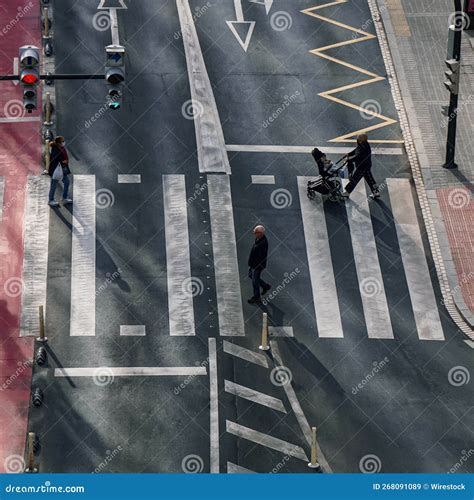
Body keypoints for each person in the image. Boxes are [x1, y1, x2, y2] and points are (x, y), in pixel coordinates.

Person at [341, 134, 380, 199]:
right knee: (370, 179)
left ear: (361, 140)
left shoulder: (364, 148)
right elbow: (356, 150)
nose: (357, 139)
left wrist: (349, 160)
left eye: (358, 138)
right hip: (366, 166)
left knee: (354, 179)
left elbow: (357, 157)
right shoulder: (363, 144)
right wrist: (349, 154)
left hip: (362, 167)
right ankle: (376, 192)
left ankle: (347, 192)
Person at [247, 225, 271, 304]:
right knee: (251, 275)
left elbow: (261, 257)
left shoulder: (263, 243)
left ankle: (256, 297)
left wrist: (255, 266)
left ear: (260, 233)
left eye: (255, 232)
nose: (254, 234)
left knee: (254, 281)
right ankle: (265, 286)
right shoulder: (258, 238)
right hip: (253, 264)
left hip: (257, 265)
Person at [48, 136, 72, 207]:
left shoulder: (60, 148)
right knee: (53, 185)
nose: (64, 142)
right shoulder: (55, 150)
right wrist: (62, 161)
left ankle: (64, 198)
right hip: (56, 170)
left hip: (62, 170)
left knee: (67, 182)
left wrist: (64, 161)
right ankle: (51, 200)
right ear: (58, 143)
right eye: (62, 141)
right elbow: (54, 159)